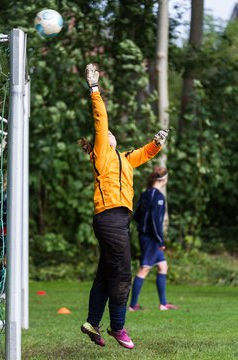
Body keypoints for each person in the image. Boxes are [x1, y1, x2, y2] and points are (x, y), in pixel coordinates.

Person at [79, 64, 169, 349]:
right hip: (110, 217)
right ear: (101, 143)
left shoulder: (124, 158)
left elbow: (143, 153)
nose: (108, 134)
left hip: (117, 220)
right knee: (122, 274)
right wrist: (94, 89)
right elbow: (101, 119)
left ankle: (92, 323)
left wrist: (156, 144)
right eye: (105, 135)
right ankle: (118, 327)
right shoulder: (103, 154)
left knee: (107, 273)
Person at [129, 166, 178, 311]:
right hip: (151, 238)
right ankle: (132, 306)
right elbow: (156, 222)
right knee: (144, 269)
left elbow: (136, 215)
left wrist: (142, 228)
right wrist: (160, 240)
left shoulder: (145, 194)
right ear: (164, 180)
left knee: (163, 266)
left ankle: (163, 304)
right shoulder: (158, 197)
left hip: (145, 236)